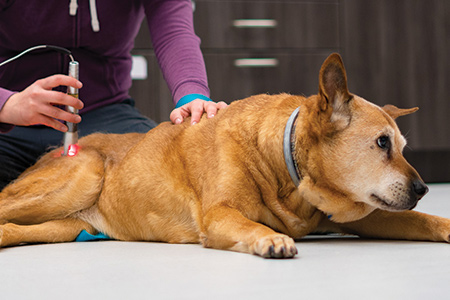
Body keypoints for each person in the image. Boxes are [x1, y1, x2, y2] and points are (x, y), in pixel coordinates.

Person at [0, 0, 227, 190]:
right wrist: (7, 104)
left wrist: (192, 96)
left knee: (174, 175)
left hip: (106, 114)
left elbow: (175, 32)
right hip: (10, 120)